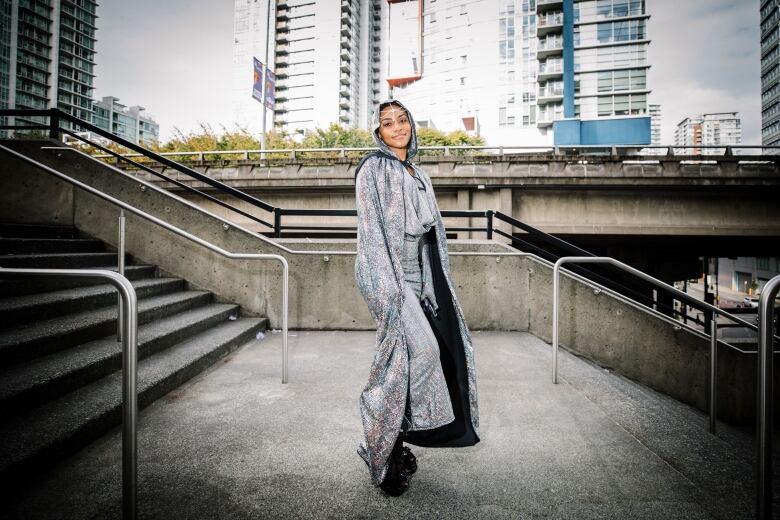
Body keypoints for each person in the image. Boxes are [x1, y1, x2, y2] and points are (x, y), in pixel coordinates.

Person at [354, 100, 480, 496]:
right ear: (378, 132)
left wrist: (429, 284)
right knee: (420, 353)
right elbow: (370, 232)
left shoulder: (420, 174)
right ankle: (382, 428)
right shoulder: (372, 169)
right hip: (386, 275)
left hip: (417, 275)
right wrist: (388, 288)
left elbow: (431, 237)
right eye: (387, 123)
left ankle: (387, 438)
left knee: (424, 358)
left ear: (411, 125)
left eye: (402, 120)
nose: (397, 127)